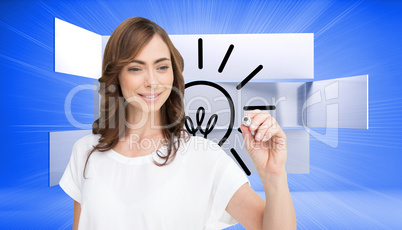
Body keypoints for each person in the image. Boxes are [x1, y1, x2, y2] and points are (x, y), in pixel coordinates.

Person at [59, 17, 296, 230]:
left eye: (162, 67)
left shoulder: (203, 158)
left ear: (174, 73)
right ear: (117, 75)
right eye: (135, 68)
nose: (152, 81)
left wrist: (274, 176)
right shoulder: (86, 152)